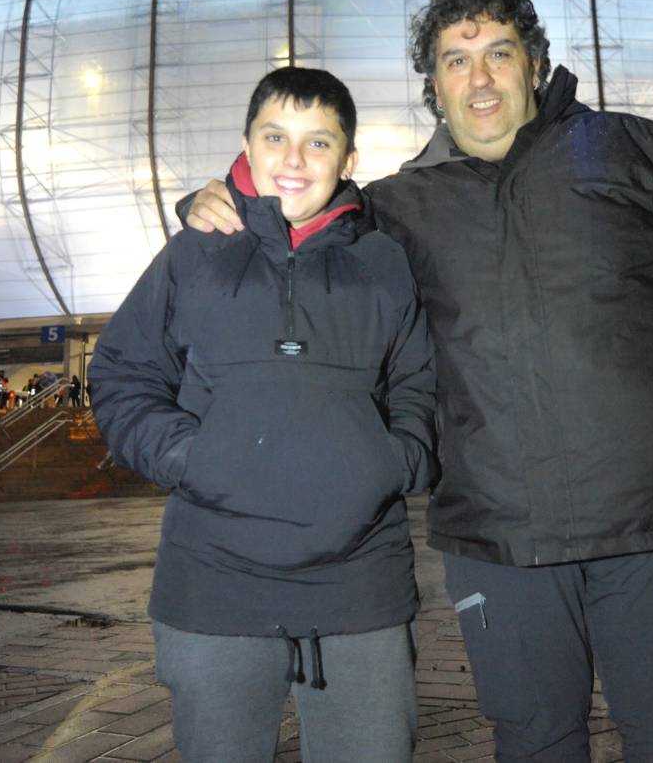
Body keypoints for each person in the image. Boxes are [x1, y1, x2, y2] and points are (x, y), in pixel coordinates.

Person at [184, 0, 653, 761]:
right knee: (533, 740)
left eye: (499, 52)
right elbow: (293, 244)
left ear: (534, 63)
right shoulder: (393, 208)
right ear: (432, 83)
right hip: (496, 529)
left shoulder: (634, 148)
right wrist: (213, 204)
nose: (480, 76)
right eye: (456, 60)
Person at [90, 67, 437, 762]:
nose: (293, 160)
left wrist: (392, 460)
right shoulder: (192, 253)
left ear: (349, 159)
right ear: (246, 144)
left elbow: (420, 387)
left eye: (318, 142)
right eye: (275, 137)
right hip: (214, 586)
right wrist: (189, 455)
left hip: (358, 587)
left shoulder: (386, 262)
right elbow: (123, 373)